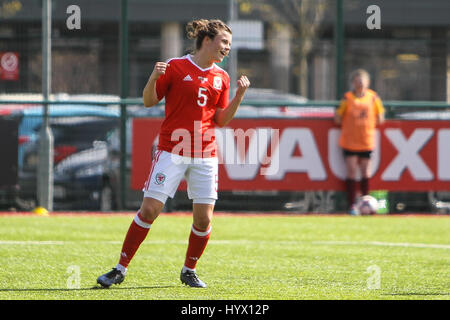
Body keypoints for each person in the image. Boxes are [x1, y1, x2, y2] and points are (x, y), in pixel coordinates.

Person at [96, 19, 250, 288]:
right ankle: (119, 268)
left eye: (229, 44)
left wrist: (239, 95)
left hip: (205, 154)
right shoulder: (176, 66)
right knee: (150, 210)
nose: (227, 48)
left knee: (204, 219)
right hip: (172, 150)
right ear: (207, 40)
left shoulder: (222, 77)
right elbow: (148, 101)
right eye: (224, 42)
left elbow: (221, 120)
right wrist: (154, 77)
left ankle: (189, 270)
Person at [334, 69, 385, 215]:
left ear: (368, 82)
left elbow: (380, 118)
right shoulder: (348, 98)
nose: (360, 84)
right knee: (351, 171)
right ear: (353, 83)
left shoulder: (373, 98)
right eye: (357, 81)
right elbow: (338, 117)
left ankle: (366, 204)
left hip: (366, 140)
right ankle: (351, 205)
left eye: (362, 81)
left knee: (365, 172)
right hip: (350, 141)